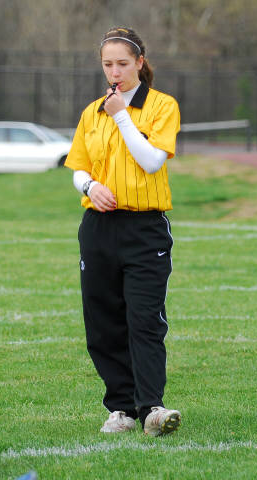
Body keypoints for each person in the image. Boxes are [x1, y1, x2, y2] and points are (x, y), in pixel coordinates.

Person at [64, 27, 181, 436]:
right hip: (98, 229)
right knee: (103, 322)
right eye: (107, 64)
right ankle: (121, 409)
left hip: (145, 229)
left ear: (139, 63)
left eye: (122, 64)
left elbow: (151, 161)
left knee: (144, 319)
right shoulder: (91, 112)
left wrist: (121, 116)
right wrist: (89, 186)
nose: (114, 72)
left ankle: (152, 408)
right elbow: (79, 167)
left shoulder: (162, 106)